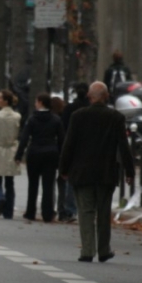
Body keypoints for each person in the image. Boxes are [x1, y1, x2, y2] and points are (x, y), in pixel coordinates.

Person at [59, 81, 133, 262]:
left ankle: (87, 250)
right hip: (106, 172)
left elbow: (69, 144)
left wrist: (64, 168)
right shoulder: (116, 117)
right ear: (107, 97)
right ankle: (103, 249)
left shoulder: (78, 116)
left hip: (82, 171)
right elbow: (124, 146)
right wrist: (130, 171)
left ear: (89, 97)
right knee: (103, 212)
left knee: (85, 212)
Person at [16, 93, 64, 222]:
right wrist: (61, 156)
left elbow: (24, 138)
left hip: (34, 152)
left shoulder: (32, 119)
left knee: (33, 184)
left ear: (41, 103)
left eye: (36, 101)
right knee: (48, 185)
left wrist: (19, 154)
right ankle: (47, 213)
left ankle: (30, 212)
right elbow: (61, 139)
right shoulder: (56, 119)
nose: (35, 104)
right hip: (51, 153)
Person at [0, 89, 22, 219]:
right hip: (12, 149)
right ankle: (9, 211)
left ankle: (0, 198)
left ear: (5, 101)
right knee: (9, 182)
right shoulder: (17, 116)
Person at [59, 82, 90, 222]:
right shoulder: (90, 109)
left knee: (70, 179)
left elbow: (64, 129)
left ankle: (70, 209)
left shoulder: (70, 109)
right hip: (89, 147)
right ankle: (85, 208)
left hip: (73, 147)